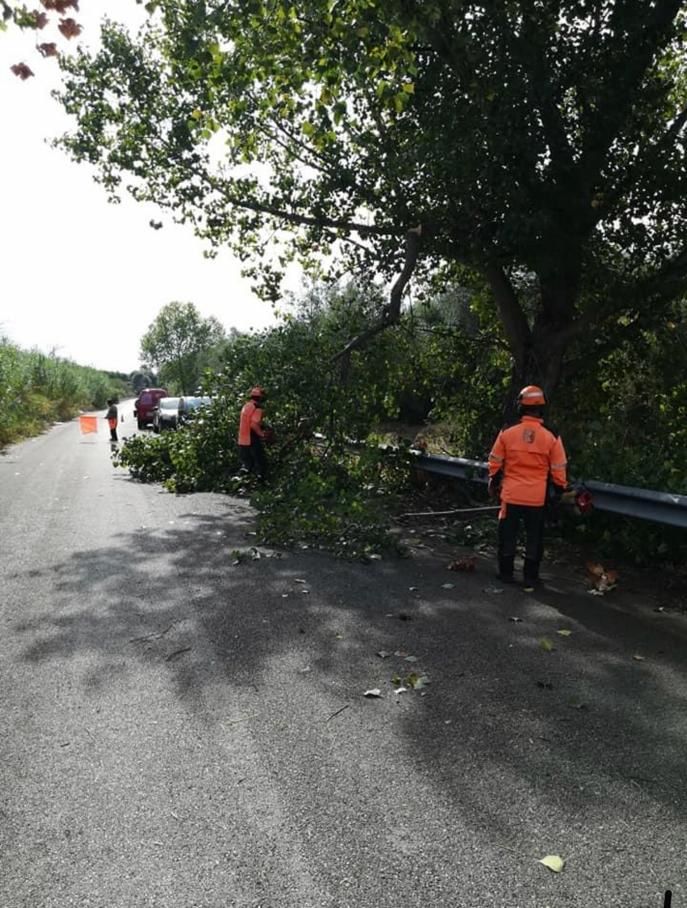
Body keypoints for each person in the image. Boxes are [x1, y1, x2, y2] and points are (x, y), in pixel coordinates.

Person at [487, 385, 567, 590]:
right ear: (541, 407)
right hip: (536, 498)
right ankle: (530, 577)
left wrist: (493, 483)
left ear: (521, 406)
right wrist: (559, 491)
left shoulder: (508, 431)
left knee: (508, 535)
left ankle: (506, 574)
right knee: (535, 538)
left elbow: (495, 461)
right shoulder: (551, 435)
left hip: (511, 495)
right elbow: (559, 469)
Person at [238, 386, 268, 478]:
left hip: (242, 440)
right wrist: (262, 434)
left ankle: (242, 484)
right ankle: (261, 483)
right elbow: (254, 424)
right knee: (260, 463)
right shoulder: (257, 408)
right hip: (251, 438)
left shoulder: (247, 406)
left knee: (247, 465)